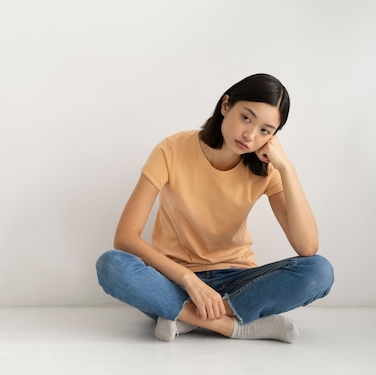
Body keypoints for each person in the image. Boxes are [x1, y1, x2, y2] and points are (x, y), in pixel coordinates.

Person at [96, 73, 334, 343]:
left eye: (265, 130)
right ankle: (235, 326)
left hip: (239, 281)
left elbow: (307, 247)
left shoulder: (267, 170)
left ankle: (184, 318)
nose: (250, 134)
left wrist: (287, 169)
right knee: (111, 265)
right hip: (174, 280)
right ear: (225, 105)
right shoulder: (171, 150)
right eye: (246, 117)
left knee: (319, 271)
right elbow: (125, 237)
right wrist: (188, 279)